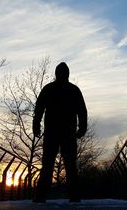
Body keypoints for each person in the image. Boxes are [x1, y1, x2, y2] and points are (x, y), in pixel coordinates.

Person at [33, 62, 87, 203]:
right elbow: (82, 111)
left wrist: (36, 125)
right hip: (68, 133)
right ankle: (74, 196)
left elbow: (39, 108)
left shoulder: (48, 89)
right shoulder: (74, 90)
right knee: (70, 165)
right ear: (67, 74)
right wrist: (82, 128)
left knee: (48, 164)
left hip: (52, 132)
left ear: (56, 73)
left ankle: (40, 196)